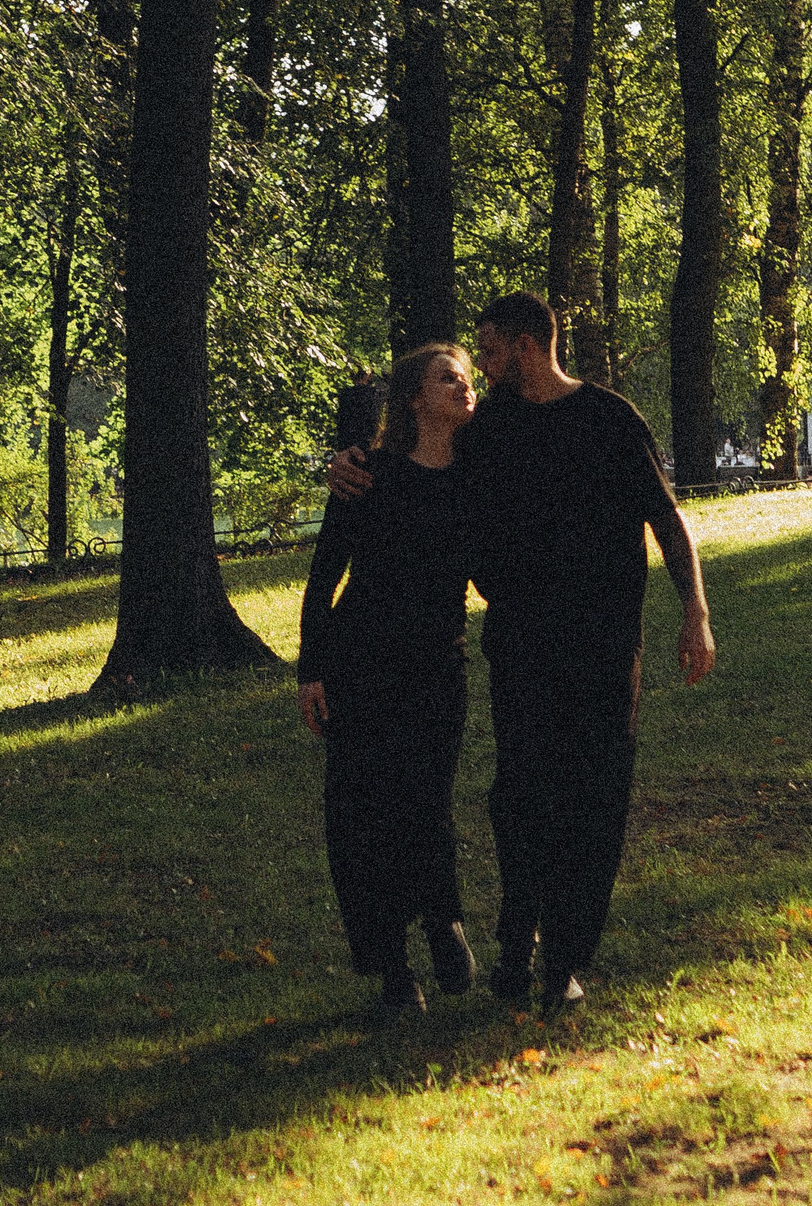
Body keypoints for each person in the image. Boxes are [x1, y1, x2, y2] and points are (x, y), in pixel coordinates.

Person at [329, 291, 714, 1014]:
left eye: (492, 348)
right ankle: (518, 943)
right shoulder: (489, 429)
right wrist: (346, 463)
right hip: (520, 649)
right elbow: (417, 458)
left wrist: (694, 610)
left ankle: (566, 960)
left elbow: (667, 517)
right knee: (521, 799)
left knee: (594, 800)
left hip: (604, 649)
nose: (484, 365)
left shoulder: (608, 419)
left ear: (527, 347)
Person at [298, 345, 480, 1014]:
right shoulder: (367, 474)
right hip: (361, 664)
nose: (464, 385)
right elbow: (324, 579)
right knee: (363, 817)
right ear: (413, 398)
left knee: (425, 803)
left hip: (438, 665)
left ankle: (442, 921)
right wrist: (312, 670)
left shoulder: (480, 476)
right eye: (447, 377)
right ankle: (394, 971)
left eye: (468, 376)